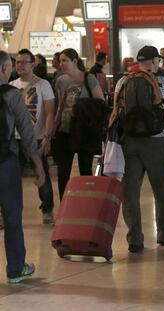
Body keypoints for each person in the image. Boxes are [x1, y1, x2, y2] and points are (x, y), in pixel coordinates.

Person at [114, 46, 164, 253]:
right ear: (154, 61)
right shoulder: (163, 83)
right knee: (162, 190)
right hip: (155, 142)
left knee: (130, 191)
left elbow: (115, 114)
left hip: (129, 142)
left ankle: (135, 239)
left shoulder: (123, 82)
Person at [0, 50, 45, 283]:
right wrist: (38, 163)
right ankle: (16, 268)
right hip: (5, 163)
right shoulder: (12, 94)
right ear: (4, 69)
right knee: (11, 217)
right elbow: (26, 132)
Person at [10, 48, 55, 224]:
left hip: (36, 137)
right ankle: (9, 212)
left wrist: (47, 136)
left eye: (24, 62)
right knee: (11, 176)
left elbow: (50, 112)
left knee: (41, 172)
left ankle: (47, 209)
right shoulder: (12, 85)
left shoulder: (43, 85)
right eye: (18, 62)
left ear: (33, 64)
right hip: (15, 138)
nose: (20, 65)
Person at [53, 48, 104, 199]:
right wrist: (51, 132)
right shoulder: (61, 81)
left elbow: (100, 102)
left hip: (83, 130)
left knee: (85, 170)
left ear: (75, 61)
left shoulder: (89, 79)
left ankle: (87, 203)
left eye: (65, 61)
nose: (61, 64)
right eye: (60, 61)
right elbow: (60, 107)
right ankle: (64, 206)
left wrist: (82, 107)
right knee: (63, 171)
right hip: (65, 130)